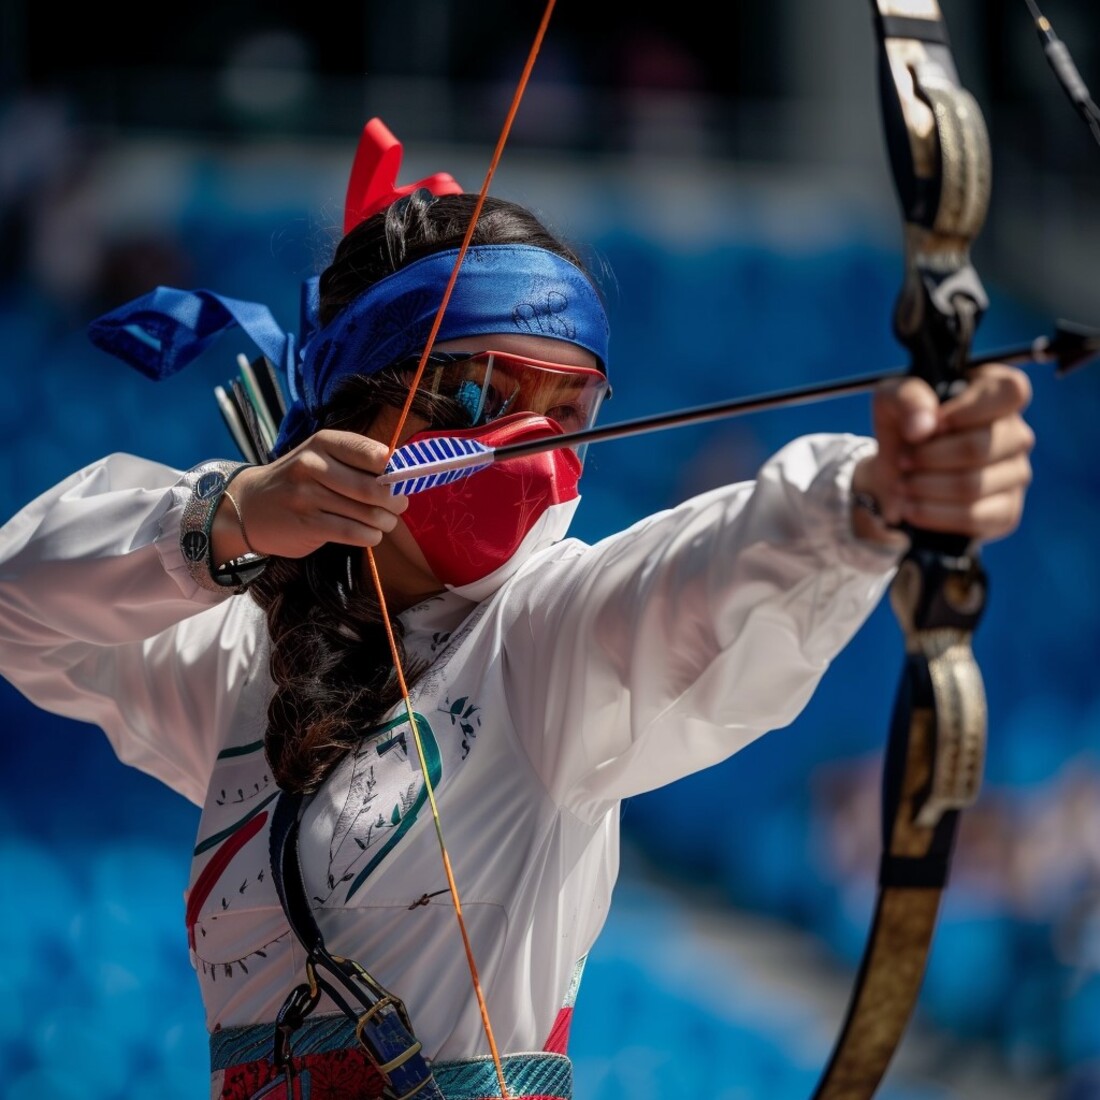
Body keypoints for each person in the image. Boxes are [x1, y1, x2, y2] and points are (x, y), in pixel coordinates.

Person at [0, 117, 1034, 1100]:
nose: (531, 449)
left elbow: (698, 572)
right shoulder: (239, 650)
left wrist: (872, 498)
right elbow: (17, 601)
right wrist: (222, 519)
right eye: (480, 397)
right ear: (351, 405)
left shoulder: (545, 642)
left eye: (570, 410)